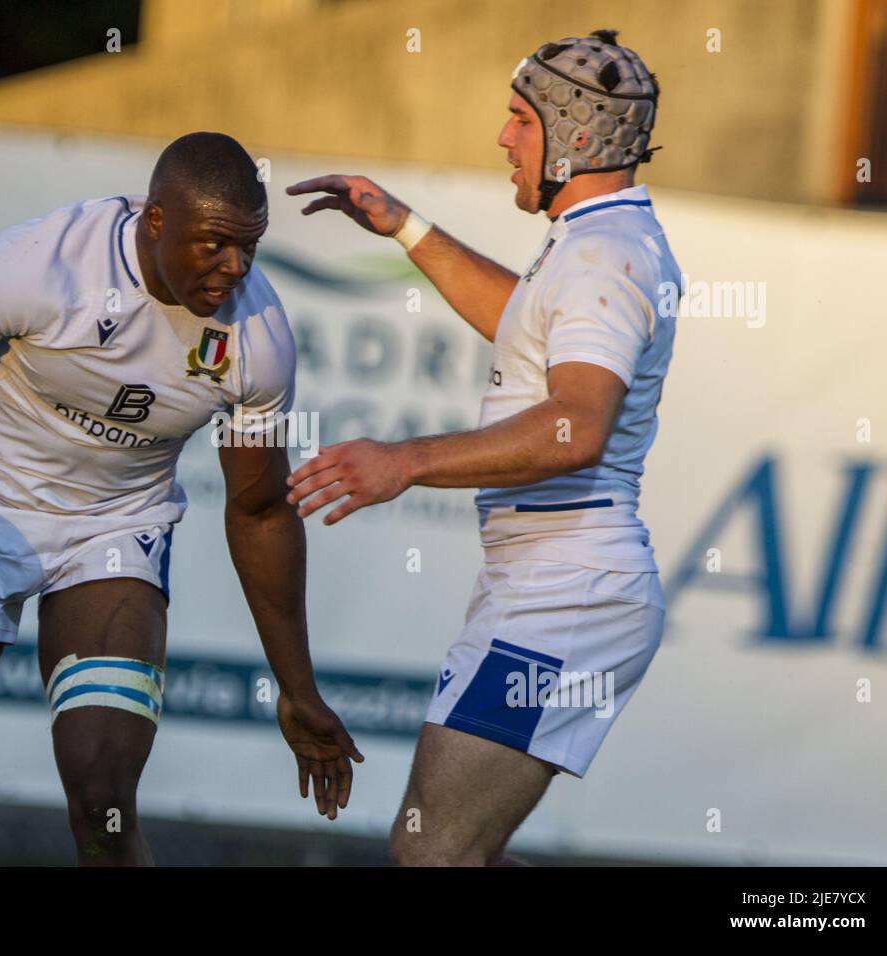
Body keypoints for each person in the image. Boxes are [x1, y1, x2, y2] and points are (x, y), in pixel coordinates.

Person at [0, 131, 362, 866]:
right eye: (215, 245)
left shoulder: (257, 337)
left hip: (115, 532)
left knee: (102, 800)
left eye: (250, 247)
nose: (236, 268)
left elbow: (258, 510)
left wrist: (298, 687)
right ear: (155, 220)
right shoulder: (43, 265)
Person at [285, 30, 679, 866]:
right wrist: (405, 227)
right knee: (455, 851)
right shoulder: (599, 240)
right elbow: (523, 323)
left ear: (574, 136)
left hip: (564, 600)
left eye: (520, 120)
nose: (504, 138)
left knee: (432, 854)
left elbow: (576, 426)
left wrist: (404, 461)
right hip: (547, 589)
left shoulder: (604, 255)